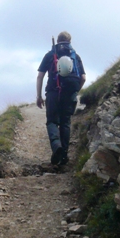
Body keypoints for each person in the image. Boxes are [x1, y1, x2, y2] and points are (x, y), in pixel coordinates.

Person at [36, 31, 86, 165]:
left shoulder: (50, 54)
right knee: (65, 123)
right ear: (70, 41)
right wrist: (75, 91)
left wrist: (39, 96)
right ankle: (64, 156)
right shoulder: (75, 56)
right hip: (69, 93)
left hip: (53, 92)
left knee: (52, 121)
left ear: (57, 41)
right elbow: (83, 78)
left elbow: (40, 76)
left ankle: (56, 146)